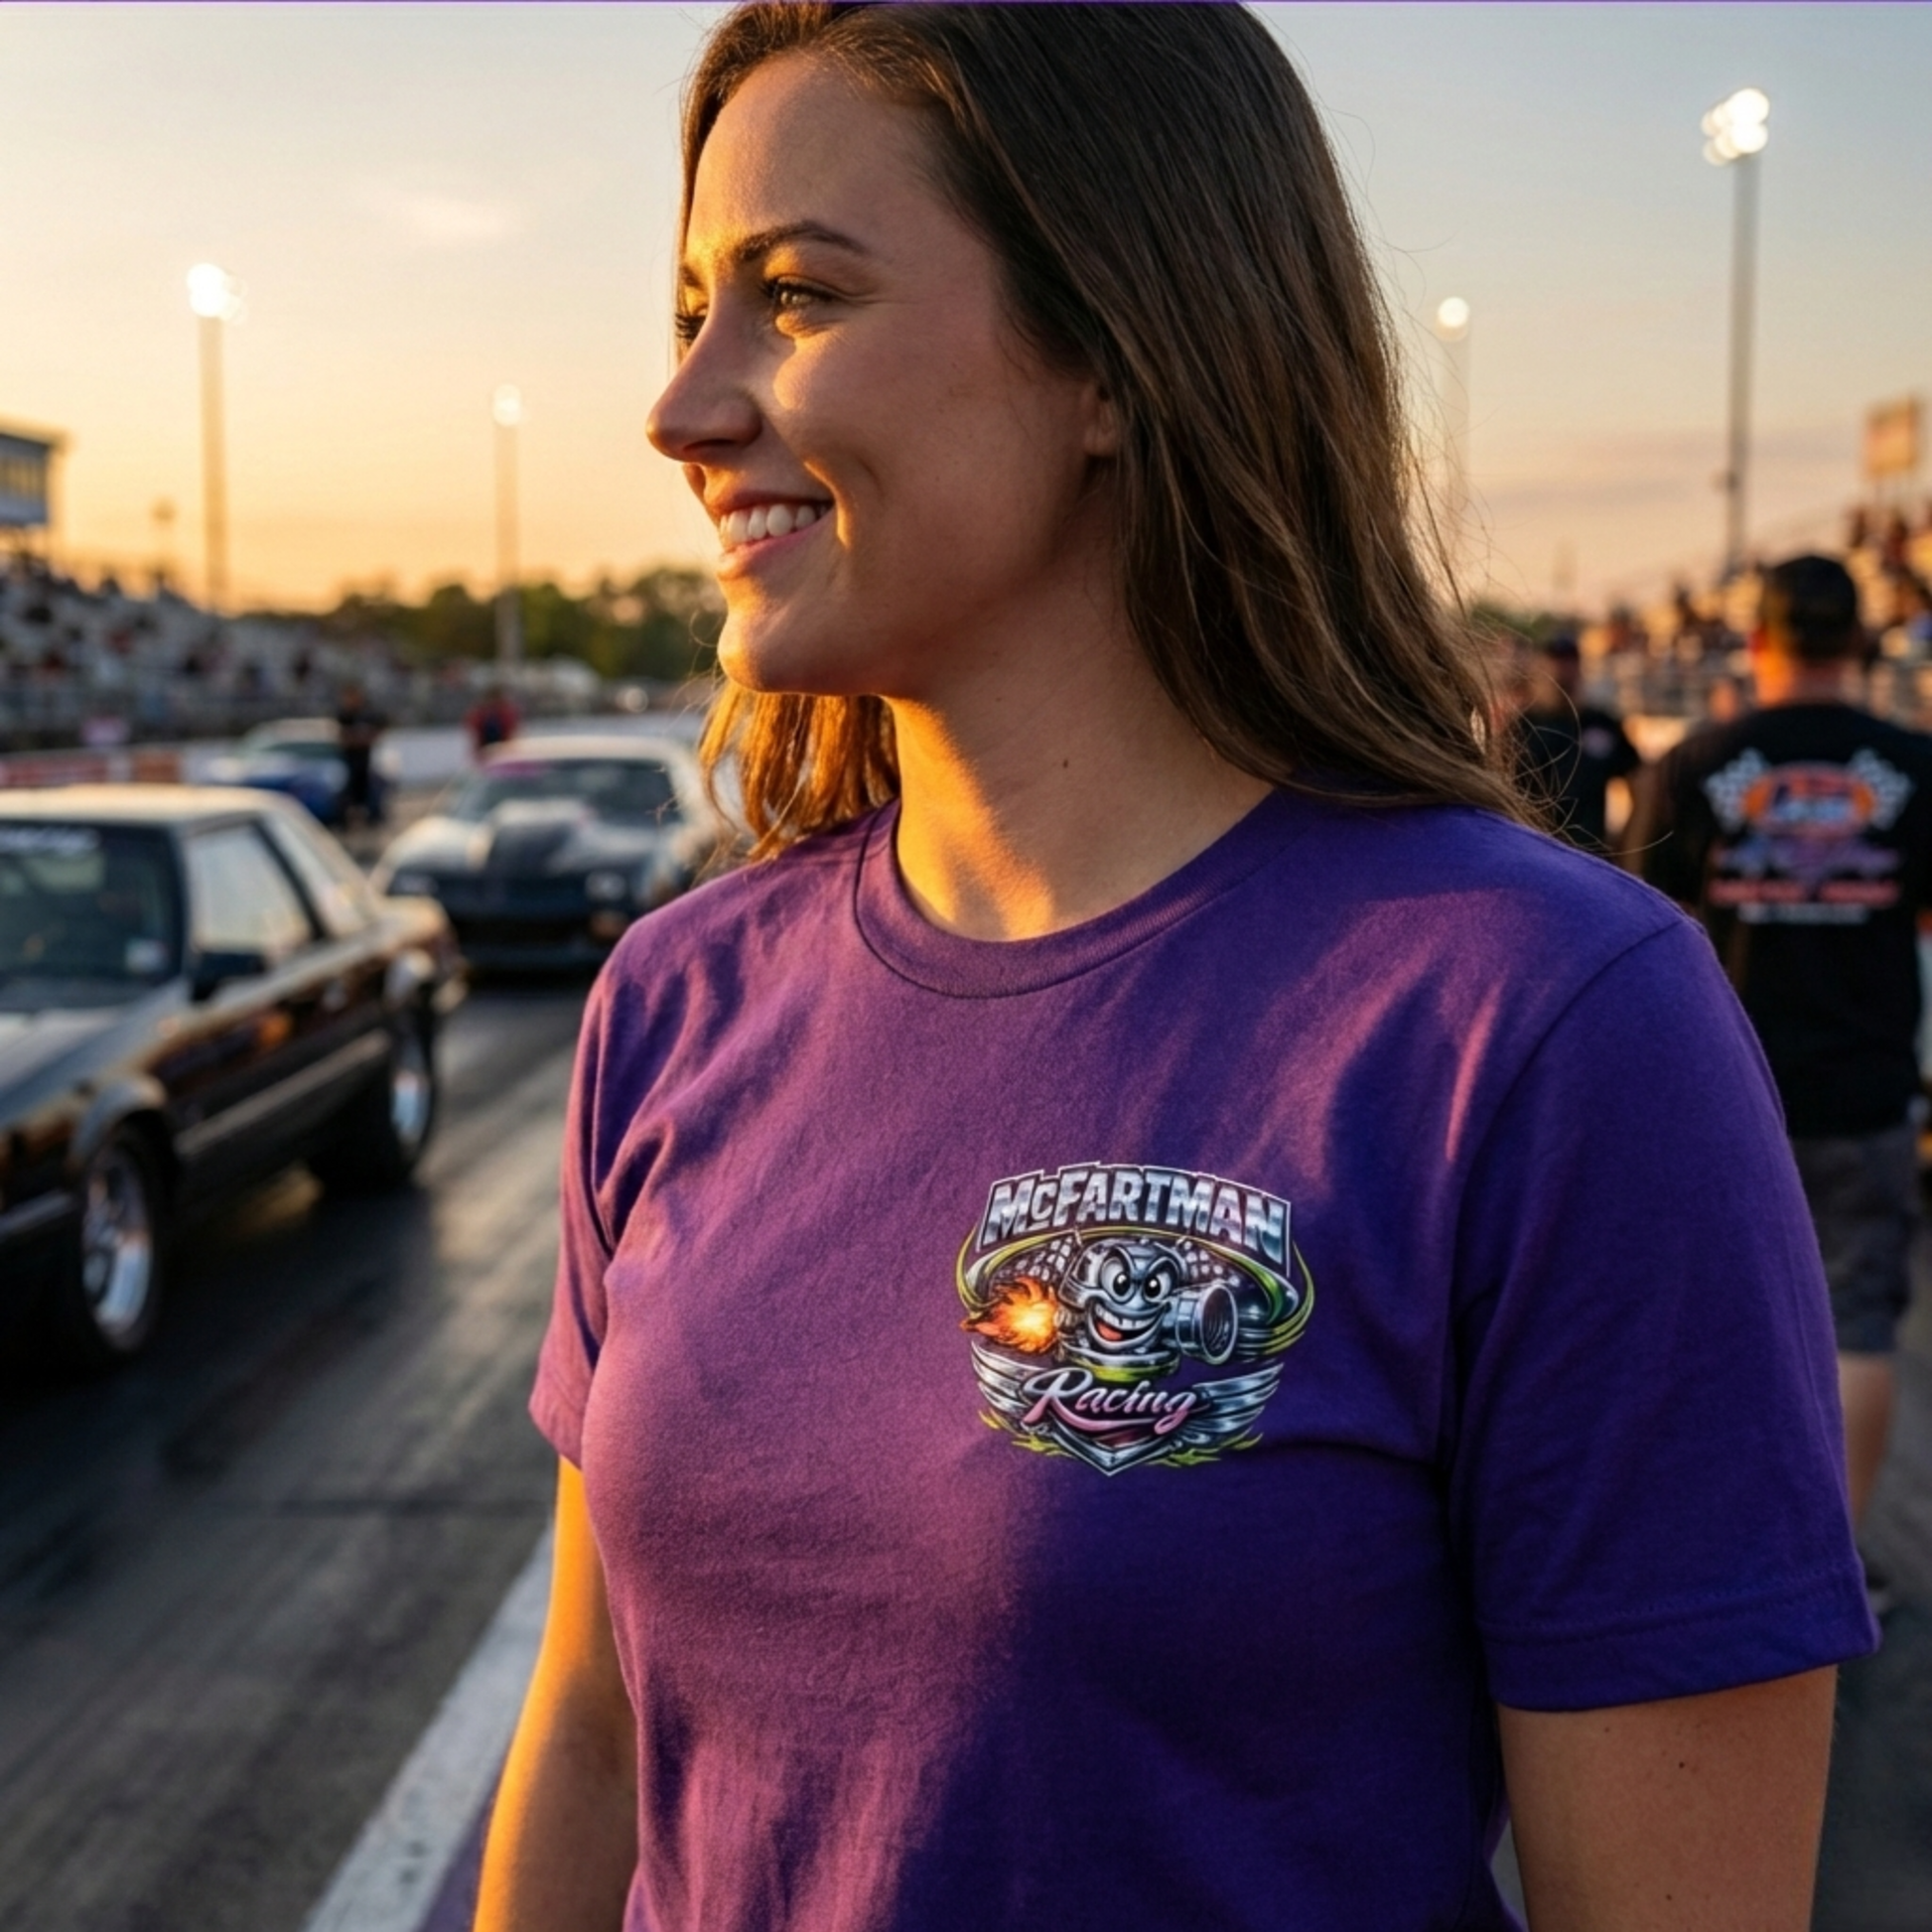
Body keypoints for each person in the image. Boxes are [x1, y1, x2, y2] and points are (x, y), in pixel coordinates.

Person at [479, 12, 1872, 1931]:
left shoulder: (1544, 1026)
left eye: (795, 295)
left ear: (1116, 355)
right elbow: (591, 1733)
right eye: (689, 307)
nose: (685, 407)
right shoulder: (671, 999)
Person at [1637, 553, 1932, 1544]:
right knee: (1853, 1326)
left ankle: (1722, 1544)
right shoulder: (1917, 766)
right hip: (1864, 1091)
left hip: (1724, 1093)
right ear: (1854, 642)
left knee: (1716, 1325)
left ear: (1755, 639)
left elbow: (1641, 934)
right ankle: (1833, 1561)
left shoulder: (1697, 760)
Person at [1507, 633, 1642, 854]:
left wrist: (1629, 838)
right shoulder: (1521, 727)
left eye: (1570, 661)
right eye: (1556, 661)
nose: (1562, 669)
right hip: (1536, 851)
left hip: (1591, 852)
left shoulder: (1601, 723)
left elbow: (1639, 780)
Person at [334, 679, 386, 827]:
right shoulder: (344, 715)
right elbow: (343, 737)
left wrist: (363, 738)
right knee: (347, 793)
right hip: (348, 761)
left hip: (365, 761)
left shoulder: (367, 713)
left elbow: (376, 732)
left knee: (369, 792)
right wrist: (358, 738)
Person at [467, 683, 521, 757]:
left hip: (504, 747)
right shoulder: (479, 712)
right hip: (485, 748)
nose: (493, 703)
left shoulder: (506, 711)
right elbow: (473, 731)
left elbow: (512, 731)